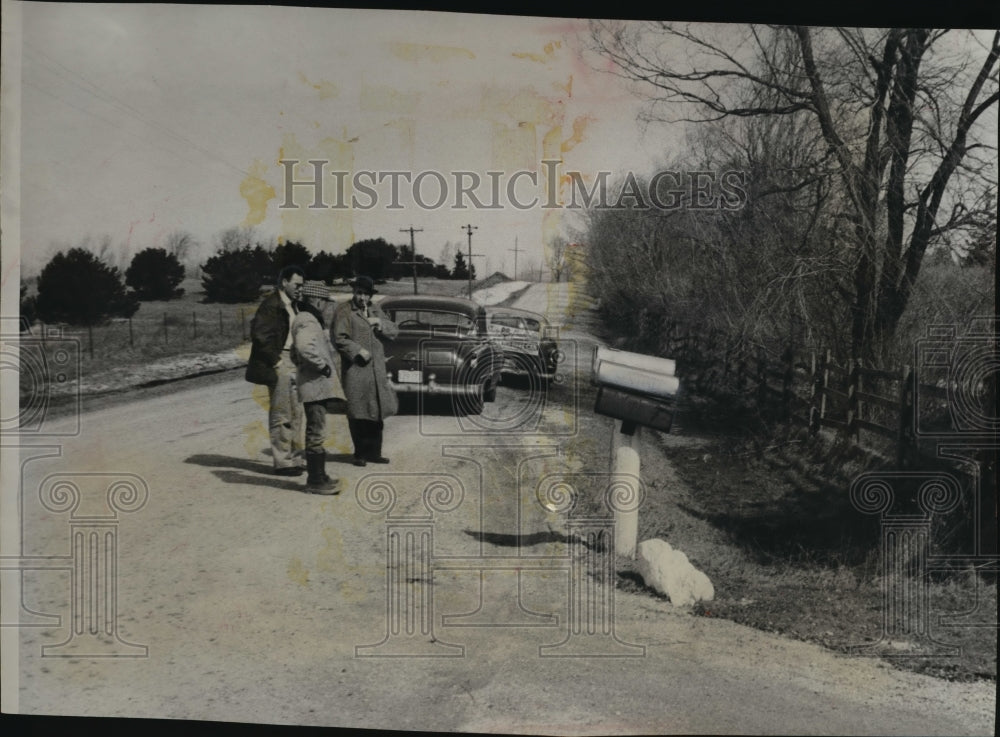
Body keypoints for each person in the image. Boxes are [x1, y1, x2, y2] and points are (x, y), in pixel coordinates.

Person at [245, 265, 306, 476]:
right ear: (284, 283)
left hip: (295, 361)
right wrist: (277, 362)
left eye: (302, 285)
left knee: (297, 412)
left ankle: (296, 458)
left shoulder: (294, 306)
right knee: (282, 413)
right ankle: (282, 462)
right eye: (297, 284)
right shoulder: (271, 305)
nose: (300, 288)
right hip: (280, 361)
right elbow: (260, 336)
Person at [331, 276, 398, 466]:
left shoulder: (376, 310)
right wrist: (357, 350)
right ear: (354, 292)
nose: (362, 298)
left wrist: (380, 324)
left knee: (376, 412)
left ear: (370, 296)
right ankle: (360, 453)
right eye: (359, 293)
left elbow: (394, 331)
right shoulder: (344, 311)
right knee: (358, 412)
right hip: (356, 370)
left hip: (376, 371)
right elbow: (339, 338)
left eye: (366, 294)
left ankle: (374, 453)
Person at [290, 281, 346, 494]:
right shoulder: (308, 320)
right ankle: (315, 481)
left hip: (312, 383)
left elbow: (295, 353)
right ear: (314, 300)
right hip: (315, 385)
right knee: (316, 430)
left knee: (317, 428)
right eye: (324, 301)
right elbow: (304, 348)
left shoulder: (304, 318)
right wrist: (321, 366)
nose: (326, 306)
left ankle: (320, 475)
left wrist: (303, 367)